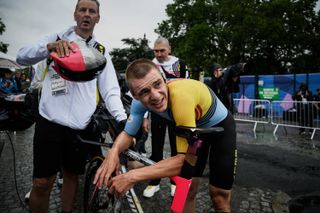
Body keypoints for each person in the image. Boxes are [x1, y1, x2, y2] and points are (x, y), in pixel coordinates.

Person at [16, 0, 127, 212]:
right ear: (75, 14)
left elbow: (111, 89)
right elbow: (21, 57)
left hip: (80, 127)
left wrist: (121, 118)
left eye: (92, 11)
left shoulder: (101, 50)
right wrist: (49, 48)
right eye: (82, 10)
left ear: (98, 18)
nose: (87, 14)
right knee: (41, 183)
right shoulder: (56, 38)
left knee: (71, 177)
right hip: (49, 122)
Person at [94, 59, 237, 213]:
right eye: (144, 92)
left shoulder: (180, 97)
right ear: (135, 96)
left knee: (219, 197)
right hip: (195, 134)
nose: (155, 95)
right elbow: (128, 134)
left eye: (157, 84)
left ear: (164, 79)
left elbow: (183, 161)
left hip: (220, 129)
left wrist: (131, 176)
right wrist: (113, 152)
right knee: (185, 190)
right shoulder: (138, 104)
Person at [142, 37, 189, 198]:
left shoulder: (180, 64)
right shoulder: (150, 66)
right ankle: (154, 182)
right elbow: (144, 93)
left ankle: (175, 182)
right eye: (156, 51)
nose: (159, 54)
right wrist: (145, 117)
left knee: (177, 150)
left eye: (162, 50)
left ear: (169, 50)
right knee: (156, 149)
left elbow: (187, 89)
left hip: (176, 113)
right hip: (157, 112)